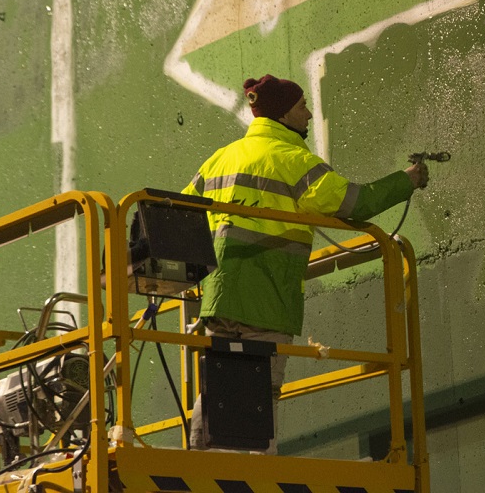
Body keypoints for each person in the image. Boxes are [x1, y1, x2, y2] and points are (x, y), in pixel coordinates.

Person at [183, 74, 429, 453]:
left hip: (218, 300)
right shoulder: (293, 161)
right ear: (282, 113)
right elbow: (355, 204)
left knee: (217, 386)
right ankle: (257, 475)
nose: (310, 114)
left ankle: (196, 465)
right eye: (301, 107)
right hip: (267, 300)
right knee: (261, 397)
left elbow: (181, 215)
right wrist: (408, 180)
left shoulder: (220, 159)